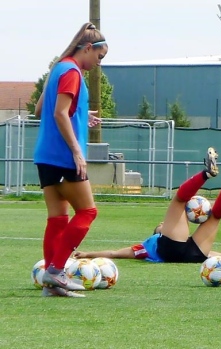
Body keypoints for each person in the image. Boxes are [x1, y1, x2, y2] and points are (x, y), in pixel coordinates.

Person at [33, 23, 108, 298]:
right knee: (88, 212)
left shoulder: (58, 68)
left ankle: (50, 284)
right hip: (63, 156)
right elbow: (58, 114)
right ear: (88, 48)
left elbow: (42, 108)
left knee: (57, 218)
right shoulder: (73, 72)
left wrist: (81, 116)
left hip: (45, 155)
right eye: (99, 57)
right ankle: (56, 271)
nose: (98, 64)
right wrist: (77, 150)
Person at [75, 147, 221, 264]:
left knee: (214, 215)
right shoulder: (154, 240)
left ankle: (218, 182)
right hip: (195, 254)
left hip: (182, 253)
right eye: (161, 225)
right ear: (159, 232)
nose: (163, 224)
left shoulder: (148, 247)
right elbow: (115, 254)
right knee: (184, 202)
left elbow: (116, 253)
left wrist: (88, 254)